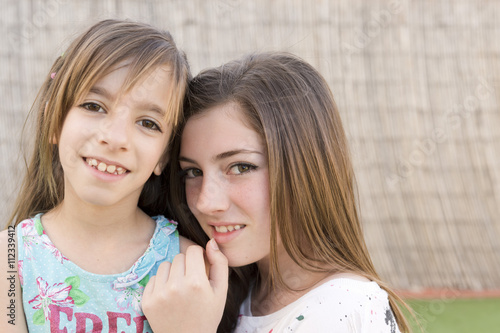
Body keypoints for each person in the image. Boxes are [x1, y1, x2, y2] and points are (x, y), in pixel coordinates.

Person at [142, 52, 413, 332]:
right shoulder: (232, 294)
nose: (206, 202)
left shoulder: (343, 309)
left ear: (305, 166)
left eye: (241, 167)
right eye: (193, 172)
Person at [0, 19, 195, 332]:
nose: (115, 138)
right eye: (94, 105)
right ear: (54, 119)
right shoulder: (9, 258)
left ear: (164, 155)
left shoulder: (187, 264)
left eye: (147, 123)